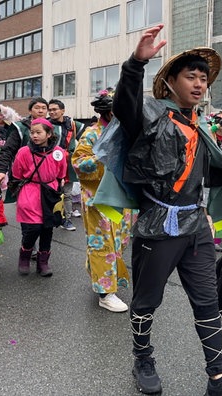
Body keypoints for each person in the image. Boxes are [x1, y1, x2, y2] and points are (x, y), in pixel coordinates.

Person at [113, 24, 222, 395]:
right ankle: (142, 358)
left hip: (195, 226)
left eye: (203, 79)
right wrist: (136, 63)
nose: (199, 84)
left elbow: (205, 168)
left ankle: (219, 377)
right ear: (170, 82)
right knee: (146, 301)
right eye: (190, 77)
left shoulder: (199, 125)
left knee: (206, 301)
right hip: (158, 226)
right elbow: (123, 106)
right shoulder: (149, 114)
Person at [72, 89, 134, 313]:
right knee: (103, 244)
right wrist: (106, 155)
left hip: (122, 198)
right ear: (106, 111)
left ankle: (99, 273)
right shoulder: (92, 133)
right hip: (99, 198)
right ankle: (105, 293)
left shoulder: (125, 131)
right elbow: (78, 163)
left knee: (119, 242)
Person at [12, 118, 67, 276]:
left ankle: (43, 262)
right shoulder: (24, 152)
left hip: (50, 191)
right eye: (32, 132)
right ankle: (25, 254)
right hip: (30, 190)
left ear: (49, 134)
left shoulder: (58, 153)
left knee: (47, 228)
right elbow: (17, 173)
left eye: (38, 132)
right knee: (33, 227)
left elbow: (61, 173)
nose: (34, 136)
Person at [48, 99, 85, 231]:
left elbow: (85, 138)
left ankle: (67, 220)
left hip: (68, 164)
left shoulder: (74, 124)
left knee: (67, 193)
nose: (52, 112)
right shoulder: (46, 125)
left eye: (55, 109)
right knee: (51, 192)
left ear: (63, 110)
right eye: (50, 110)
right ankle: (50, 218)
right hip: (50, 163)